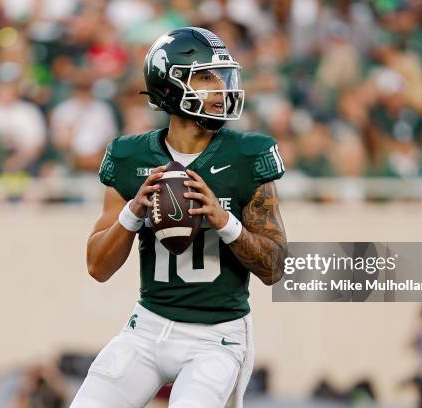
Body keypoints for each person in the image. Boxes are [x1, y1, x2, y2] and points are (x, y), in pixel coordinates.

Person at [71, 27, 288, 408]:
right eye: (206, 76)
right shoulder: (129, 156)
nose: (220, 88)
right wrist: (133, 212)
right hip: (147, 326)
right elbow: (97, 267)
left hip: (217, 337)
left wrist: (225, 222)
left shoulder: (248, 154)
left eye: (221, 76)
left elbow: (276, 266)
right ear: (170, 83)